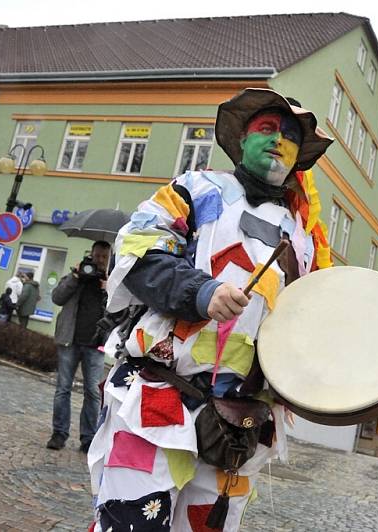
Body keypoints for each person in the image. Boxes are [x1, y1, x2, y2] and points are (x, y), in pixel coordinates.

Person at [87, 88, 333, 531]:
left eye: (290, 135)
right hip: (158, 398)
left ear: (299, 155)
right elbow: (138, 249)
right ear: (242, 138)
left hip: (240, 426)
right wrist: (202, 292)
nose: (279, 139)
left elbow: (312, 322)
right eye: (267, 128)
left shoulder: (306, 239)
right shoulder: (196, 188)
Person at [46, 240, 111, 453]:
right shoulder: (78, 275)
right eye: (97, 256)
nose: (99, 260)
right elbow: (57, 297)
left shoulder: (111, 281)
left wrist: (108, 289)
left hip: (95, 344)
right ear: (90, 254)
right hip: (70, 341)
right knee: (62, 388)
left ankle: (88, 439)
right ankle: (59, 434)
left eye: (103, 257)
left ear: (109, 258)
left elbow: (117, 311)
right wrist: (75, 277)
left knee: (93, 392)